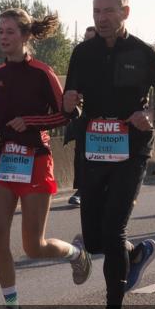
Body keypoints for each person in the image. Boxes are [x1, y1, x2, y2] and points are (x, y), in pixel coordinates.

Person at [62, 0, 155, 309]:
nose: (102, 18)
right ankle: (135, 254)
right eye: (97, 12)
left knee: (113, 231)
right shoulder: (82, 53)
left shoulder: (143, 52)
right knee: (97, 241)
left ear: (125, 12)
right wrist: (69, 106)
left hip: (131, 152)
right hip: (93, 150)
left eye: (108, 11)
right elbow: (72, 101)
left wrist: (153, 113)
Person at [0, 9, 91, 309]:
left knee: (32, 246)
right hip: (7, 162)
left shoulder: (42, 72)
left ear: (25, 36)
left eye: (10, 31)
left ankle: (76, 253)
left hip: (37, 161)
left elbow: (67, 116)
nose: (3, 37)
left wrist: (32, 121)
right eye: (0, 31)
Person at [64, 26, 99, 207]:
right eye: (85, 39)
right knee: (81, 154)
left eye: (91, 39)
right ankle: (81, 189)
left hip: (108, 121)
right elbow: (70, 88)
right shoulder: (80, 58)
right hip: (84, 117)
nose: (87, 43)